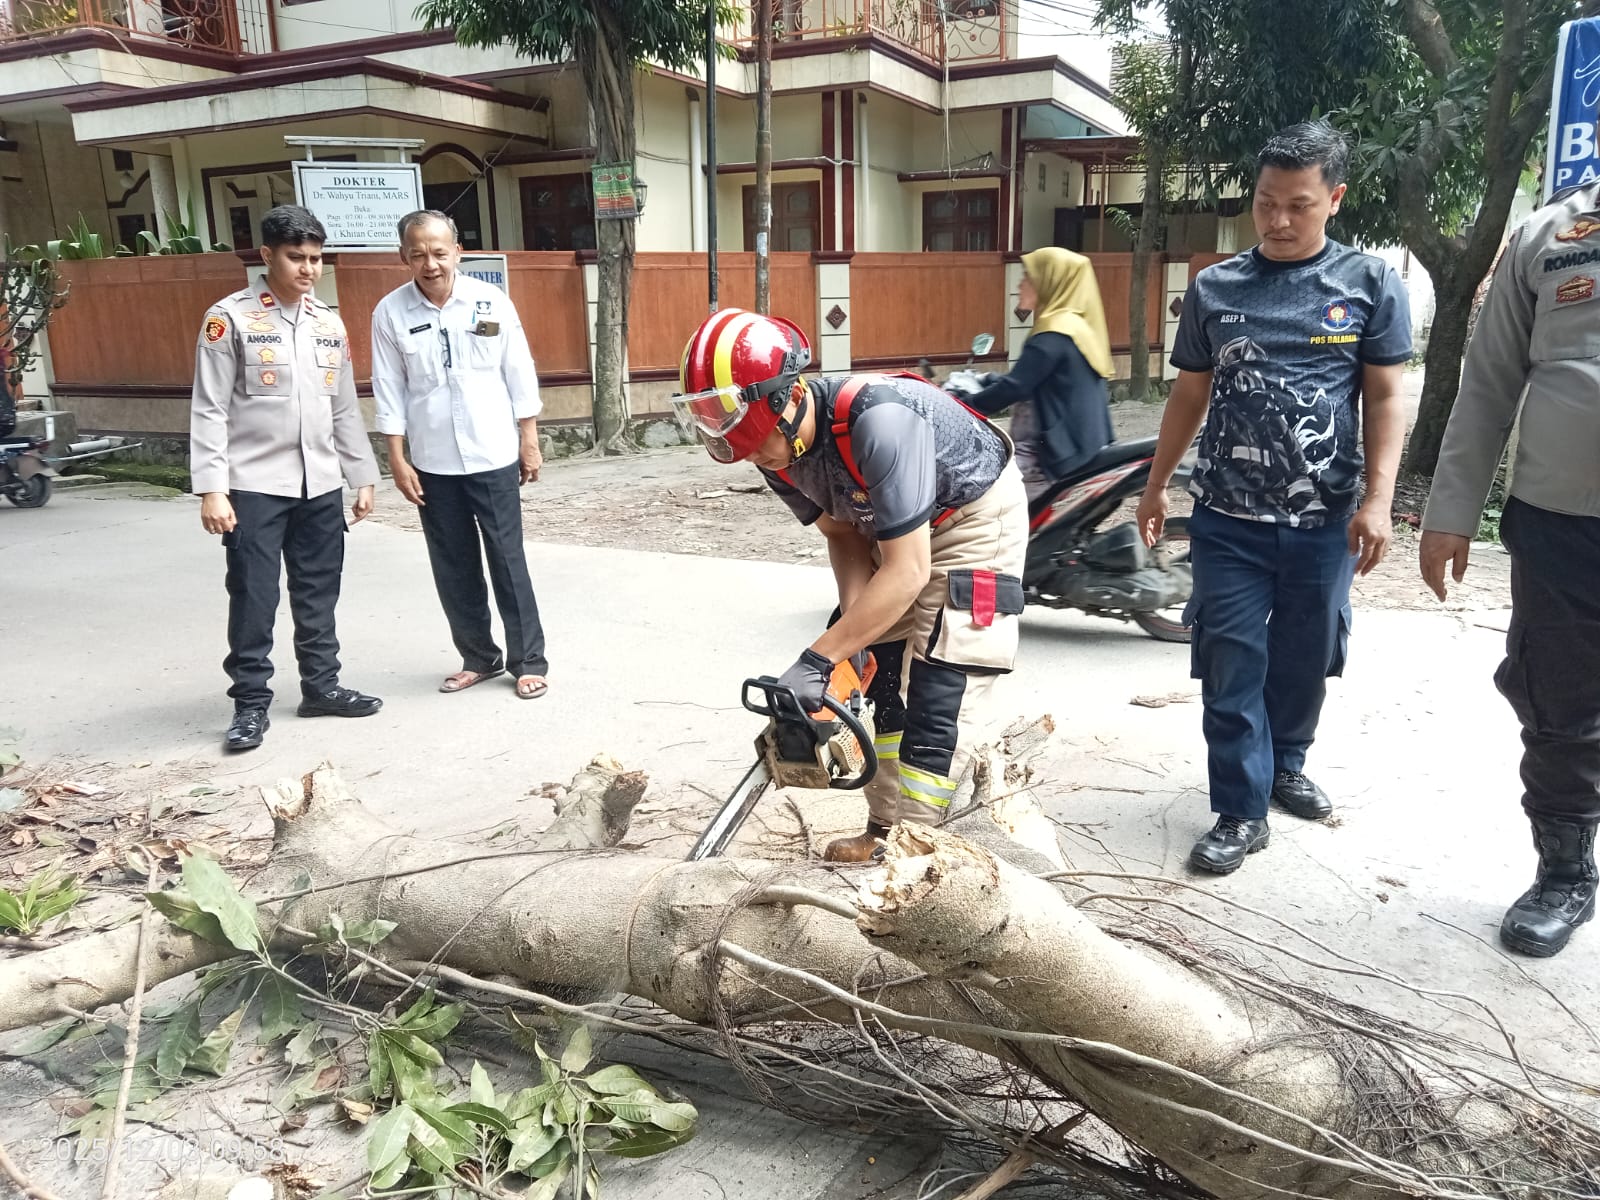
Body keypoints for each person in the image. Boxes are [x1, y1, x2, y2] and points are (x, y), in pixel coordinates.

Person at [1133, 120, 1412, 874]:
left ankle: (1286, 762)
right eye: (1265, 202)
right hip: (1227, 518)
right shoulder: (1215, 287)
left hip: (1325, 521)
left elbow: (1386, 397)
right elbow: (1189, 394)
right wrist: (1157, 486)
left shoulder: (1368, 283)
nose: (1279, 220)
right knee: (1229, 659)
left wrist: (1378, 500)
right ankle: (1240, 808)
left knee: (1304, 655)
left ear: (1335, 199)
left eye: (1299, 205)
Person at [673, 308, 1029, 862]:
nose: (756, 457)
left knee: (939, 690)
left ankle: (923, 858)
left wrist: (816, 659)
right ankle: (884, 830)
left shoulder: (880, 422)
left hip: (970, 521)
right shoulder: (774, 451)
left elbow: (908, 570)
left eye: (759, 442)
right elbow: (841, 533)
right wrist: (850, 640)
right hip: (889, 532)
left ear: (790, 397)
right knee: (879, 679)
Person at [1420, 183, 1600, 958]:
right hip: (1562, 523)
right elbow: (1489, 382)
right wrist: (1451, 511)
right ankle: (1565, 872)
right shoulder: (1548, 234)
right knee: (1559, 699)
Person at [190, 204, 382, 753]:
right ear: (267, 255)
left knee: (319, 590)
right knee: (254, 594)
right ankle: (250, 703)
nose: (308, 269)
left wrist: (361, 475)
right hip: (254, 484)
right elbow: (209, 408)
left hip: (319, 482)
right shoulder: (229, 319)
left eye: (316, 259)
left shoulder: (327, 322)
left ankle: (321, 687)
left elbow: (342, 406)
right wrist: (213, 488)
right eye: (296, 257)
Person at [372, 210, 549, 700]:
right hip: (432, 461)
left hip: (493, 453)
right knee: (453, 565)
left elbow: (518, 369)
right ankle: (478, 657)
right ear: (403, 257)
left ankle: (528, 661)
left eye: (439, 252)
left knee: (507, 559)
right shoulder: (390, 312)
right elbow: (388, 386)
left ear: (457, 252)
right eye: (418, 255)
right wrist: (397, 458)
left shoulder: (490, 302)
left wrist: (529, 438)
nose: (430, 264)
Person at [966, 247, 1115, 500]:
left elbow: (1015, 387)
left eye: (1028, 277)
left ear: (1049, 283)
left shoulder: (1052, 335)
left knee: (990, 500)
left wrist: (963, 406)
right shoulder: (1077, 329)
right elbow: (1036, 381)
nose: (1020, 284)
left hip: (1050, 456)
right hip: (1083, 445)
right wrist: (990, 380)